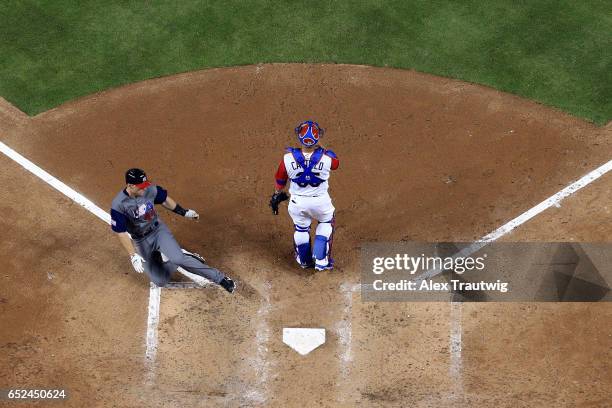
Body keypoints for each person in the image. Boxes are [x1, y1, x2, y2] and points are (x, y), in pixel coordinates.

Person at [110, 168, 235, 292]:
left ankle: (219, 278)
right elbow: (120, 232)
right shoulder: (119, 205)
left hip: (158, 231)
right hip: (141, 240)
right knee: (160, 281)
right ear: (130, 185)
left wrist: (184, 212)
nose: (145, 188)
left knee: (178, 259)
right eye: (141, 186)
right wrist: (133, 255)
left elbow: (165, 200)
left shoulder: (150, 190)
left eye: (145, 185)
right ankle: (183, 256)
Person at [269, 120, 339, 271]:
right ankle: (321, 262)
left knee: (301, 228)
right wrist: (320, 148)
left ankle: (304, 261)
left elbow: (280, 180)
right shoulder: (329, 158)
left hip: (297, 203)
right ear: (317, 138)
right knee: (326, 223)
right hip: (321, 202)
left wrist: (276, 195)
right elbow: (335, 164)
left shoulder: (287, 159)